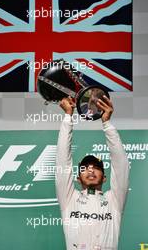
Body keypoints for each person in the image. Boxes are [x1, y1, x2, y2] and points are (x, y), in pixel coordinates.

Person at [55, 95, 129, 250]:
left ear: (104, 178)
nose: (90, 170)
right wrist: (68, 117)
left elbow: (121, 165)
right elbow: (63, 158)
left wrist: (107, 124)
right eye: (85, 168)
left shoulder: (114, 201)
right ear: (77, 178)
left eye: (96, 167)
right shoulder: (69, 199)